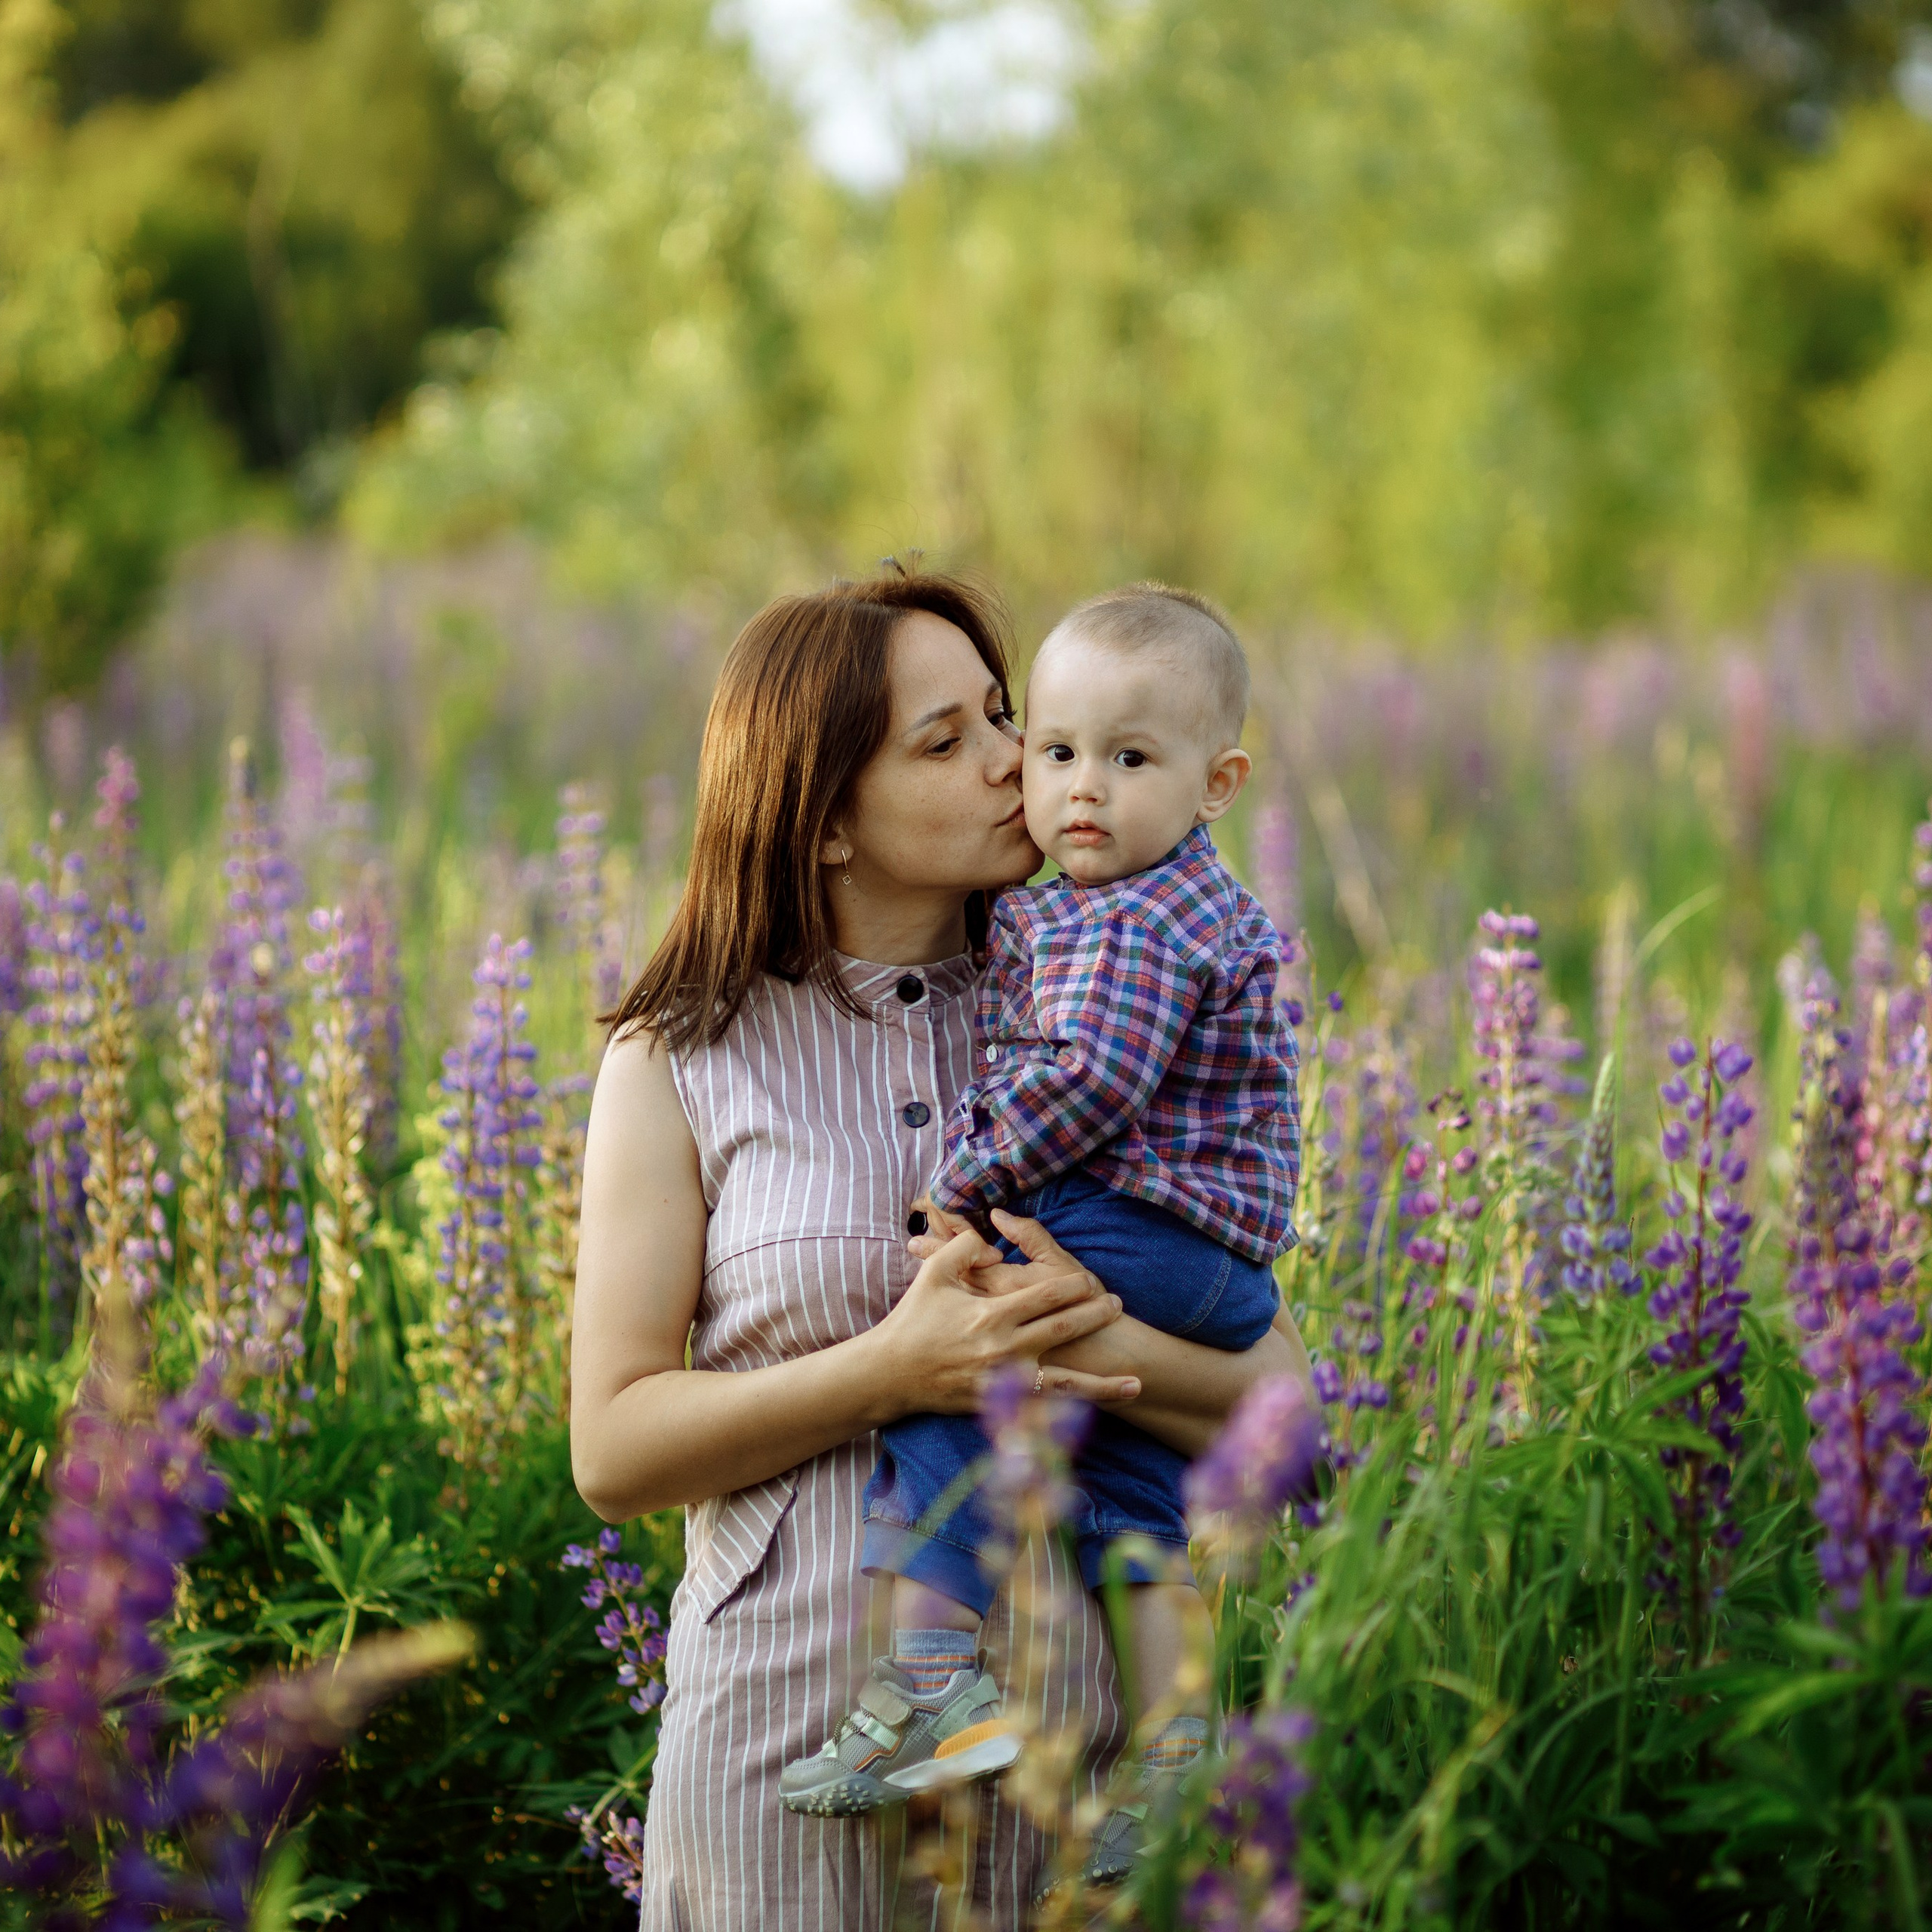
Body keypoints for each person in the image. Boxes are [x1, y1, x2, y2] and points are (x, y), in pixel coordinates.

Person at [570, 565, 1315, 1930]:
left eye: (1002, 716)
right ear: (827, 821)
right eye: (947, 741)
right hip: (787, 1775)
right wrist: (896, 1369)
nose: (1016, 763)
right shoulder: (678, 1057)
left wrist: (1073, 1328)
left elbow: (1288, 1406)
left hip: (1078, 1793)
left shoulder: (1100, 999)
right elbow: (613, 1450)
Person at [780, 584, 1299, 1894]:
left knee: (953, 1368)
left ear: (1218, 781)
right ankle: (1182, 1748)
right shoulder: (1137, 901)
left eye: (1125, 759)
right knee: (1136, 1499)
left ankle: (932, 1678)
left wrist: (961, 1188)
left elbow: (1088, 1083)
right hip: (1198, 1252)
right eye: (1054, 747)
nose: (1055, 781)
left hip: (1134, 1224)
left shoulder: (1133, 916)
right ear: (827, 819)